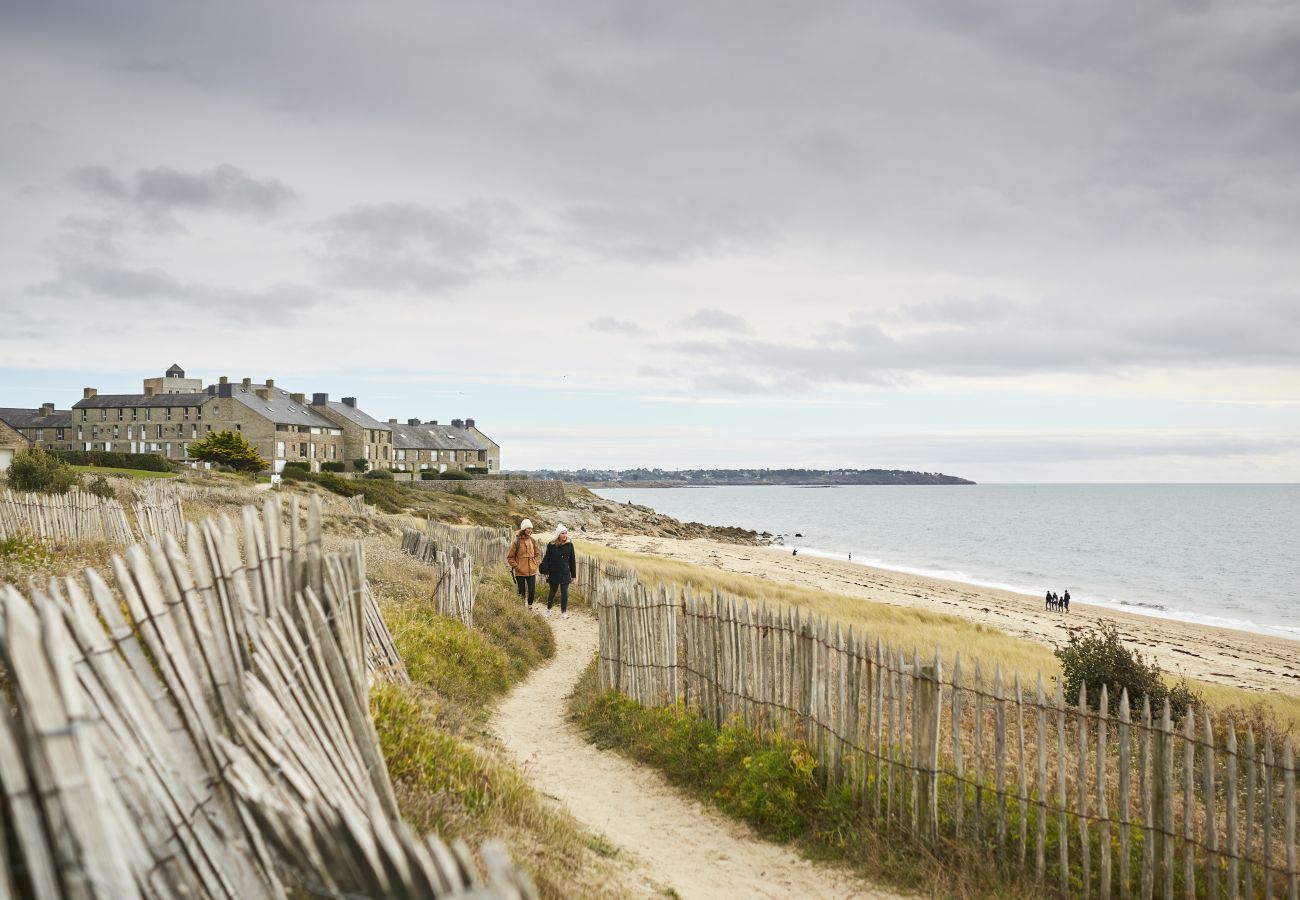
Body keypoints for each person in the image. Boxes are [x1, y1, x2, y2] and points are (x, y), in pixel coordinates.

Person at [540, 523, 577, 619]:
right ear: (558, 534)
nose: (565, 535)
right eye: (562, 533)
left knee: (564, 592)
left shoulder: (570, 545)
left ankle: (564, 612)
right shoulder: (551, 545)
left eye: (565, 533)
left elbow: (572, 560)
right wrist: (546, 572)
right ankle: (548, 610)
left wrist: (573, 575)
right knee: (552, 592)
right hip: (553, 572)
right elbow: (546, 559)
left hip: (565, 572)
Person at [507, 519, 541, 610]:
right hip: (520, 572)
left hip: (532, 571)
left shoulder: (533, 541)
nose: (530, 530)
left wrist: (535, 563)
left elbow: (537, 554)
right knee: (521, 592)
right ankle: (522, 609)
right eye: (528, 528)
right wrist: (517, 567)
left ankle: (530, 607)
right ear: (523, 529)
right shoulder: (516, 542)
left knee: (532, 591)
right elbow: (510, 557)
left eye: (531, 528)